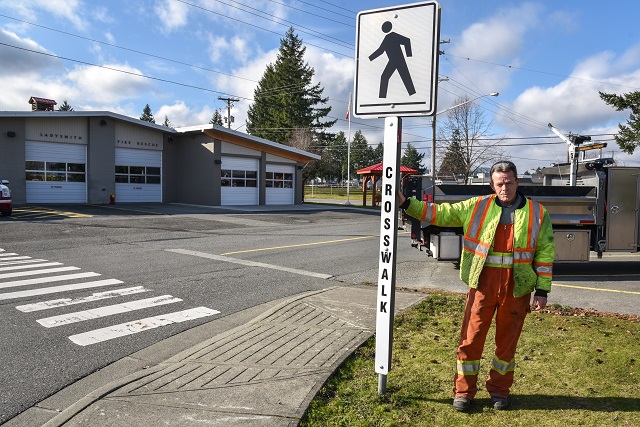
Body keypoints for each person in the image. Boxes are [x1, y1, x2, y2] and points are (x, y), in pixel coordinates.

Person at [398, 161, 555, 412]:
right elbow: (438, 213)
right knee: (470, 340)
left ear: (518, 182)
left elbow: (545, 253)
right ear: (492, 184)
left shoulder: (538, 213)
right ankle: (463, 392)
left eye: (509, 182)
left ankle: (499, 391)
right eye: (500, 183)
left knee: (507, 345)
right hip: (483, 284)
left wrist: (543, 290)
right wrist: (406, 203)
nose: (505, 188)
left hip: (518, 288)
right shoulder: (476, 206)